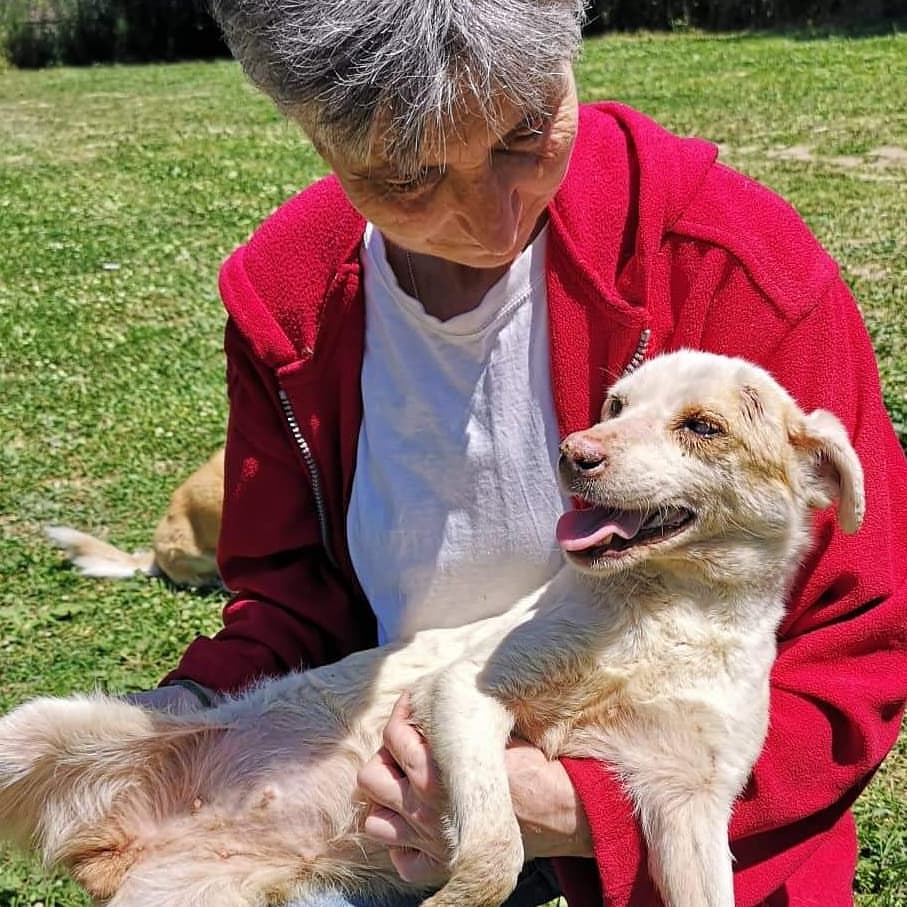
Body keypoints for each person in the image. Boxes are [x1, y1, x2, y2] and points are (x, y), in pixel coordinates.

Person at [132, 1, 907, 905]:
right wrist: (188, 718)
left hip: (673, 829)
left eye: (524, 134)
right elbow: (292, 602)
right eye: (409, 175)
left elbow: (864, 643)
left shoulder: (733, 265)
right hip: (391, 778)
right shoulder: (289, 293)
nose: (493, 221)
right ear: (308, 132)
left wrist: (580, 805)